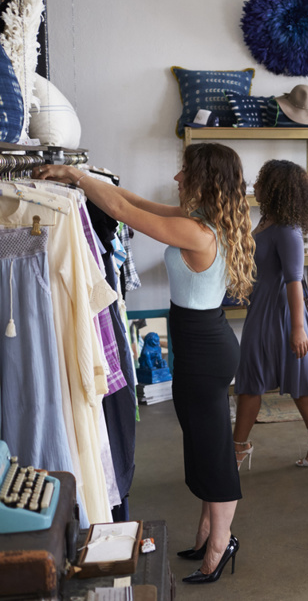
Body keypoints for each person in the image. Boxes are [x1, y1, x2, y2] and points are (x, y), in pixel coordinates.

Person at [35, 143, 256, 585]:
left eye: (184, 172)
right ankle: (208, 530)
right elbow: (131, 201)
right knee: (201, 444)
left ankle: (221, 543)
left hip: (205, 353)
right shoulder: (203, 222)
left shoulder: (201, 234)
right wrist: (90, 183)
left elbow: (121, 209)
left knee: (213, 450)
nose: (177, 179)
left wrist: (75, 177)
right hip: (199, 347)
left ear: (204, 178)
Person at [232, 160, 308, 468]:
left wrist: (299, 329)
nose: (256, 186)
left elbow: (294, 281)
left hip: (284, 314)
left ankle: (238, 447)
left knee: (291, 377)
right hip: (262, 308)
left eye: (262, 181)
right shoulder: (266, 222)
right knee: (253, 376)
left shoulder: (288, 231)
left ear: (276, 188)